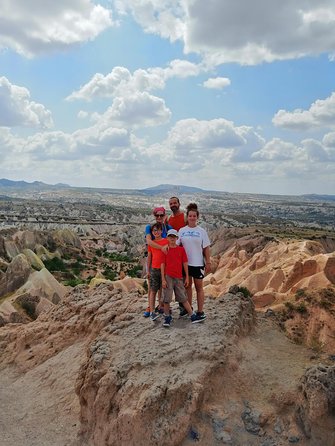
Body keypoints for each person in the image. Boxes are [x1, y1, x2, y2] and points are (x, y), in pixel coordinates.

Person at [178, 203, 211, 323]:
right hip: (185, 264)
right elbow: (176, 245)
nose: (192, 217)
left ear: (197, 217)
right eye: (190, 215)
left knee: (199, 288)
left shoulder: (201, 231)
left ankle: (200, 311)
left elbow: (206, 248)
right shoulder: (182, 231)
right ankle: (189, 308)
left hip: (197, 263)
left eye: (194, 216)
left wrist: (208, 262)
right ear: (187, 217)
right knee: (187, 287)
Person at [161, 229, 198, 327]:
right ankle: (167, 317)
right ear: (167, 238)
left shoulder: (181, 250)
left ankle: (192, 315)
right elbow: (162, 265)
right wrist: (163, 279)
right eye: (170, 236)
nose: (172, 238)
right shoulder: (165, 250)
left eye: (174, 236)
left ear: (177, 238)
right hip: (168, 276)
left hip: (178, 277)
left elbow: (184, 263)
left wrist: (186, 277)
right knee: (166, 298)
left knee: (183, 297)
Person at [143, 207, 172, 317]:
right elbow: (149, 241)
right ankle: (150, 307)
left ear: (164, 215)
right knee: (152, 286)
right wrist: (162, 248)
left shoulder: (168, 227)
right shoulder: (149, 227)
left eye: (161, 215)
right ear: (154, 216)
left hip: (164, 262)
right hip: (154, 260)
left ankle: (160, 306)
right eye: (157, 215)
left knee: (161, 287)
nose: (159, 217)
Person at [147, 222, 169, 321]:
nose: (156, 232)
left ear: (162, 231)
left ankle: (160, 307)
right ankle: (152, 311)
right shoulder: (151, 243)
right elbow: (149, 257)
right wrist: (148, 270)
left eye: (158, 230)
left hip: (164, 270)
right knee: (153, 290)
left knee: (162, 289)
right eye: (154, 230)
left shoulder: (166, 241)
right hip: (154, 269)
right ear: (152, 232)